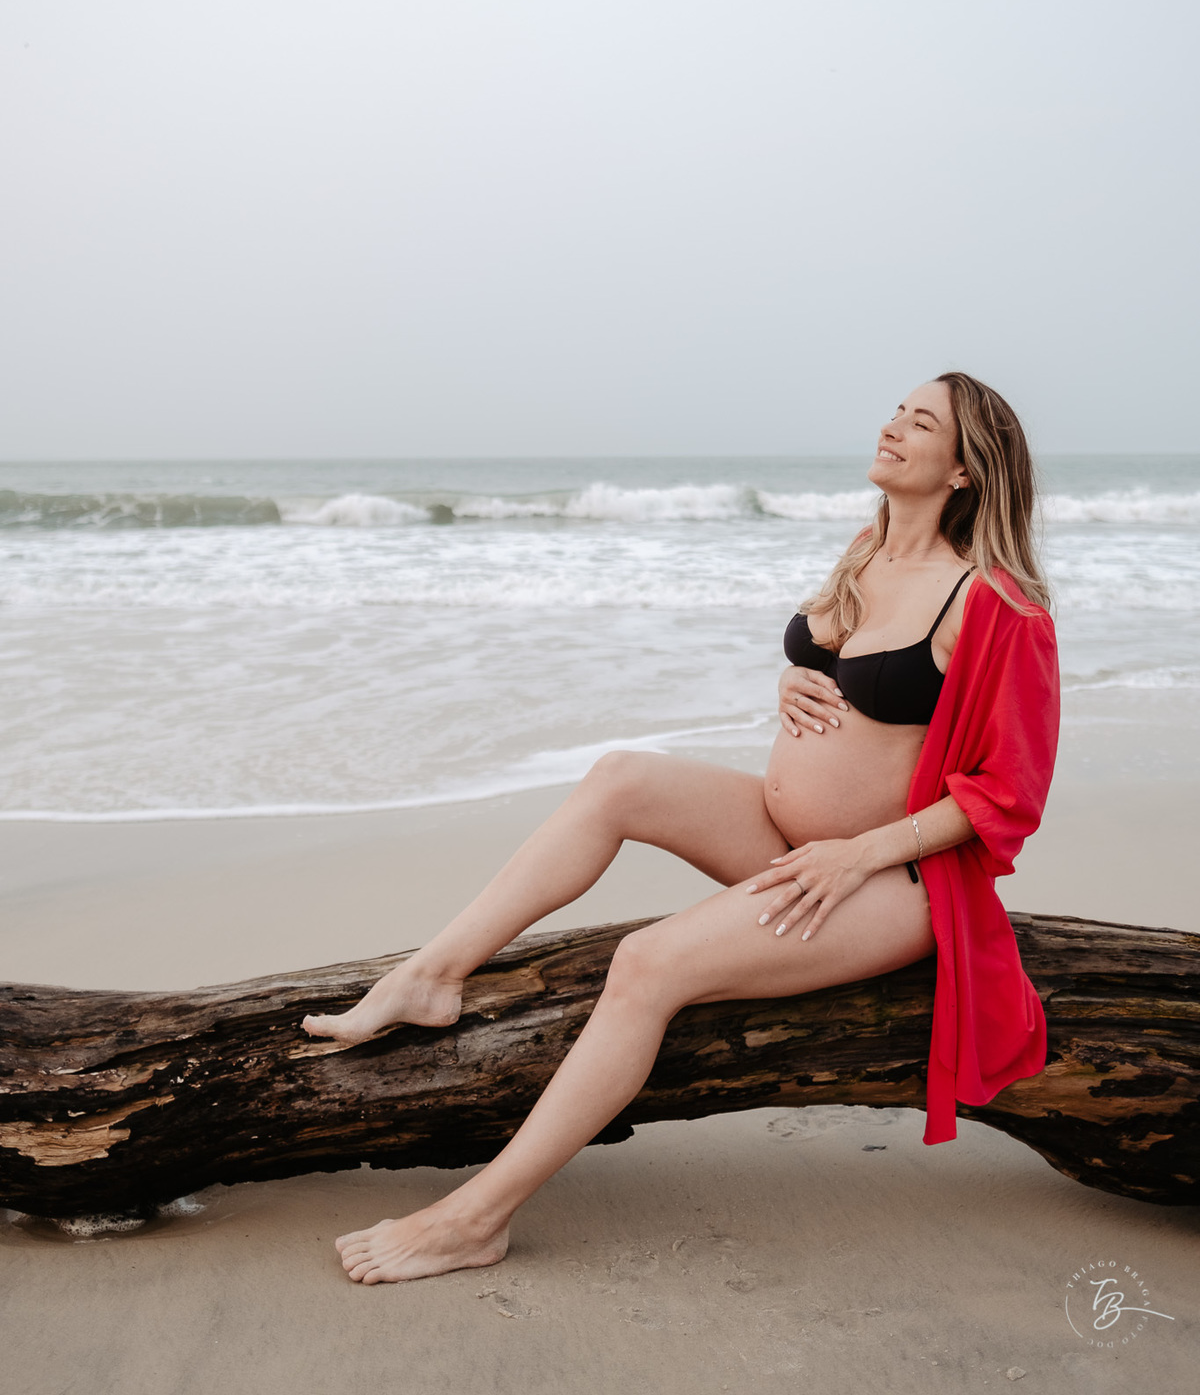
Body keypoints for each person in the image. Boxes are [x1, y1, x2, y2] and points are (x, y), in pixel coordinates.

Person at [302, 370, 1060, 1284]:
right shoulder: (866, 553)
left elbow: (1008, 797)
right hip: (788, 840)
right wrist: (789, 681)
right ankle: (431, 975)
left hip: (889, 884)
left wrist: (857, 851)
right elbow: (850, 688)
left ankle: (477, 1217)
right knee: (620, 777)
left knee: (647, 964)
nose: (893, 425)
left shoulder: (995, 603)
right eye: (897, 409)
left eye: (922, 420)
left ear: (967, 470)